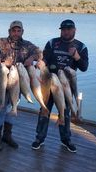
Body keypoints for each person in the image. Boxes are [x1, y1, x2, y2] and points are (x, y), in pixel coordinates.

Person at [31, 19, 89, 153]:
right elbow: (45, 58)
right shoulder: (52, 43)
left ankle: (66, 140)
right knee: (44, 111)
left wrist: (76, 56)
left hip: (66, 86)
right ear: (61, 31)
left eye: (69, 29)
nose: (66, 32)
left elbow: (84, 67)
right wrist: (41, 63)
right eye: (64, 29)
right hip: (48, 83)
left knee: (65, 114)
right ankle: (39, 138)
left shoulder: (81, 46)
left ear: (74, 30)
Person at [0, 20, 42, 151]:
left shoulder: (27, 45)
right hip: (2, 83)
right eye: (13, 30)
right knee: (0, 111)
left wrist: (33, 58)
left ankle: (7, 136)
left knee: (11, 111)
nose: (16, 33)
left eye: (18, 30)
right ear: (9, 31)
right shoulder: (2, 41)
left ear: (22, 32)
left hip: (17, 84)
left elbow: (39, 52)